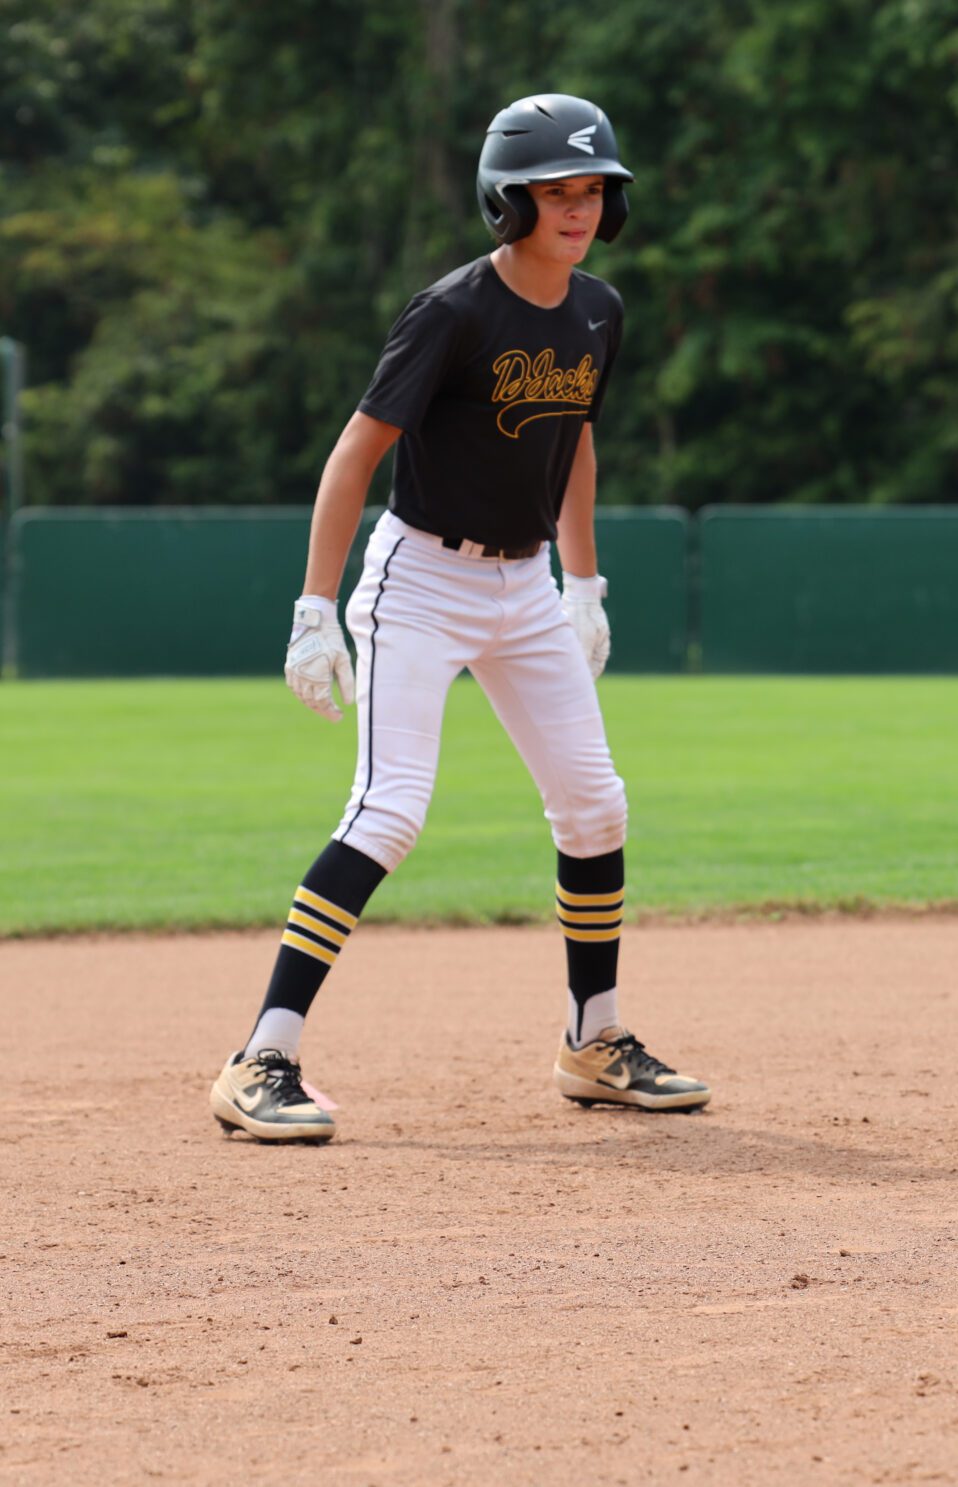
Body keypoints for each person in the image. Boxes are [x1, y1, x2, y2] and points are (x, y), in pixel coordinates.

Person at [209, 93, 711, 1142]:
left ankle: (595, 1040)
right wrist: (315, 607)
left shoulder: (597, 311)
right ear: (507, 199)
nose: (577, 207)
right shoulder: (453, 311)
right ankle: (263, 1055)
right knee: (389, 811)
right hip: (422, 580)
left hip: (526, 586)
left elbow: (573, 443)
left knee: (596, 805)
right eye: (555, 190)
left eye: (592, 190)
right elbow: (356, 454)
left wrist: (585, 583)